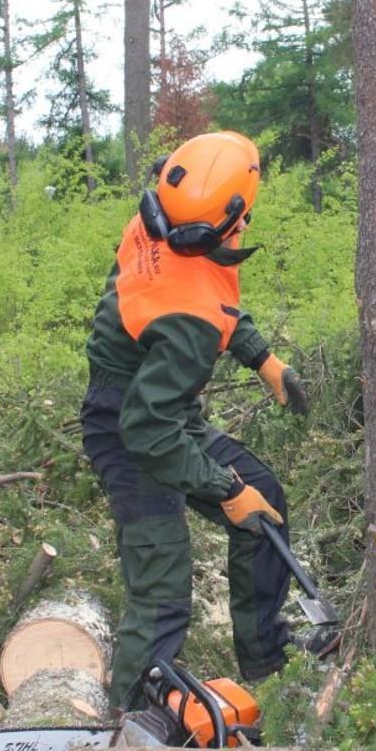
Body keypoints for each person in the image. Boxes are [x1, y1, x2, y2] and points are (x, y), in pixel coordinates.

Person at [80, 130, 310, 711]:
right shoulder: (188, 324)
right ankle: (127, 722)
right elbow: (146, 430)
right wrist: (224, 490)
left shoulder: (160, 218)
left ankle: (264, 659)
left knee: (267, 500)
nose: (247, 227)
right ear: (224, 225)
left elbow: (213, 292)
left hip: (163, 410)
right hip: (131, 429)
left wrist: (262, 359)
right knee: (162, 590)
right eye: (245, 219)